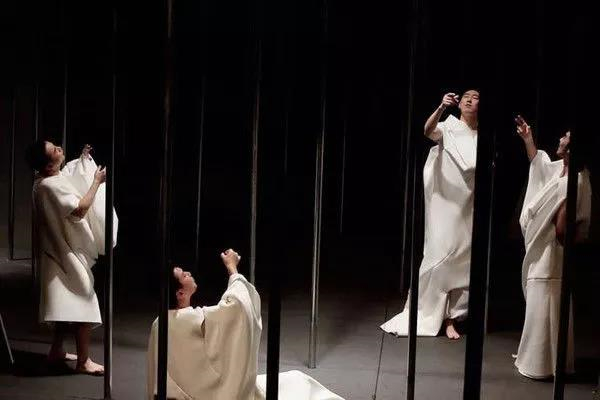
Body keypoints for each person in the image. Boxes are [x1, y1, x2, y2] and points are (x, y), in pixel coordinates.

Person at [147, 249, 344, 400]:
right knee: (299, 383)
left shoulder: (159, 323)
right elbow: (237, 309)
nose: (189, 273)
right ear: (180, 293)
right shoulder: (192, 319)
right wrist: (232, 269)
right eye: (184, 275)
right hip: (211, 395)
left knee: (294, 380)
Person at [381, 90, 479, 339]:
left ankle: (451, 317)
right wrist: (441, 108)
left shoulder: (481, 136)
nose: (469, 99)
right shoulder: (449, 127)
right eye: (466, 96)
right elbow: (428, 131)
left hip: (467, 203)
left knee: (462, 259)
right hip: (445, 203)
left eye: (475, 97)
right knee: (440, 254)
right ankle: (430, 312)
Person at [26, 140, 118, 375]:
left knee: (63, 303)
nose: (59, 148)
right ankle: (84, 361)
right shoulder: (49, 186)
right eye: (54, 150)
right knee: (84, 300)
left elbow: (66, 177)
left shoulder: (43, 181)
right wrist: (96, 181)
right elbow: (79, 209)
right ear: (48, 165)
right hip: (64, 253)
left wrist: (83, 160)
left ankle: (56, 350)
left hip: (56, 252)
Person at [513, 116, 592, 379]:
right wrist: (528, 139)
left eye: (566, 137)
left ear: (573, 147)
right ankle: (544, 361)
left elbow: (562, 227)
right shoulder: (562, 171)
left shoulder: (574, 180)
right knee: (543, 301)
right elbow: (541, 167)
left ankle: (542, 364)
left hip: (552, 250)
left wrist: (557, 238)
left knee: (546, 300)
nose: (560, 139)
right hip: (548, 248)